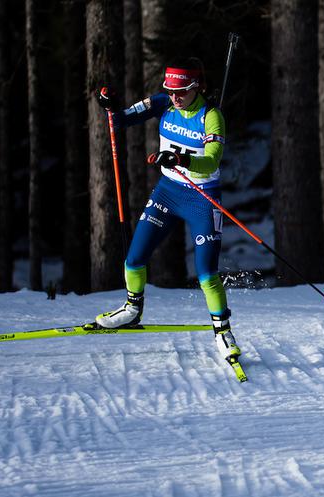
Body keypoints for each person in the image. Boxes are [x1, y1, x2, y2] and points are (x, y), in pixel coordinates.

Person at [94, 57, 240, 361]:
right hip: (168, 191)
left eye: (181, 92)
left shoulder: (211, 116)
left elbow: (212, 161)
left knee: (206, 273)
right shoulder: (162, 103)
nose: (174, 97)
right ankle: (132, 308)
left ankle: (223, 331)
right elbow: (120, 120)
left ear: (196, 86)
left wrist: (179, 160)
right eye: (171, 91)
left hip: (202, 197)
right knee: (135, 257)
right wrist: (109, 105)